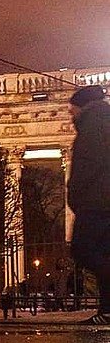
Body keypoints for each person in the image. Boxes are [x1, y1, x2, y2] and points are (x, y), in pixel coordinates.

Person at [67, 84, 110, 324]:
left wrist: (75, 197)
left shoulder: (91, 128)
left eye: (72, 111)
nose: (71, 116)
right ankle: (107, 311)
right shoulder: (104, 122)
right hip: (101, 201)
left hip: (96, 203)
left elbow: (85, 167)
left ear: (82, 107)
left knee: (83, 250)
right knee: (103, 253)